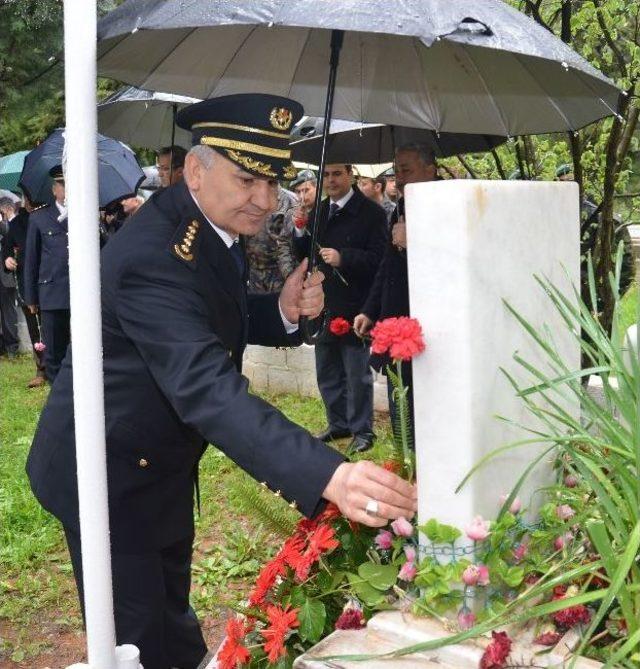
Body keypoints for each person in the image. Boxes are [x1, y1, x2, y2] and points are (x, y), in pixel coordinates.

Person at [26, 94, 416, 669]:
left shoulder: (204, 224)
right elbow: (206, 386)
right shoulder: (154, 253)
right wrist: (328, 473)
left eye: (274, 180)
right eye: (246, 180)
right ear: (195, 170)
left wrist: (278, 310)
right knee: (136, 641)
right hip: (109, 478)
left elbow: (207, 316)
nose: (264, 200)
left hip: (157, 467)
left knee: (173, 621)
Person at [295, 164, 388, 453]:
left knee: (356, 372)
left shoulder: (372, 213)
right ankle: (338, 424)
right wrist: (300, 231)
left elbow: (379, 260)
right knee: (327, 370)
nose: (331, 180)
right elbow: (307, 255)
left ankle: (362, 430)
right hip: (324, 304)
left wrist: (344, 258)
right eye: (327, 175)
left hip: (356, 303)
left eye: (337, 174)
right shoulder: (319, 212)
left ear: (350, 174)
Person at [354, 143, 439, 437]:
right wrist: (370, 309)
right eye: (396, 171)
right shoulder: (401, 208)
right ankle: (406, 457)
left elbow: (452, 264)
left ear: (431, 169)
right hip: (395, 319)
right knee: (399, 398)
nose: (399, 178)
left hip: (430, 327)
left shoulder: (448, 204)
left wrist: (413, 241)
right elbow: (386, 267)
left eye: (407, 170)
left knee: (427, 405)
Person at [555, 164, 634, 301]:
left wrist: (606, 301)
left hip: (591, 299)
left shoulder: (602, 218)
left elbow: (626, 266)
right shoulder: (553, 218)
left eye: (569, 183)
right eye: (561, 183)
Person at [23, 165, 70, 383]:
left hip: (82, 293)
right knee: (54, 349)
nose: (67, 189)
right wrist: (31, 297)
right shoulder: (39, 217)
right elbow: (31, 260)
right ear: (54, 189)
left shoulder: (86, 214)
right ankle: (56, 392)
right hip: (52, 292)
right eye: (62, 184)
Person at [1, 195, 46, 385]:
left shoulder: (48, 217)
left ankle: (59, 366)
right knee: (34, 326)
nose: (28, 201)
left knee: (53, 325)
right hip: (26, 283)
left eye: (31, 197)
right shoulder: (18, 222)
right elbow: (7, 249)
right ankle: (41, 369)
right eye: (25, 197)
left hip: (49, 282)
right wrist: (7, 260)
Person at [245, 185, 298, 293]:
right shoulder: (247, 195)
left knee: (277, 307)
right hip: (253, 271)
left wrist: (289, 274)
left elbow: (290, 241)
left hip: (278, 272)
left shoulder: (290, 201)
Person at [0, 197, 20, 359]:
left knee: (9, 313)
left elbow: (8, 232)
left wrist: (1, 221)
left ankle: (12, 347)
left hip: (5, 277)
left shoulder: (7, 224)